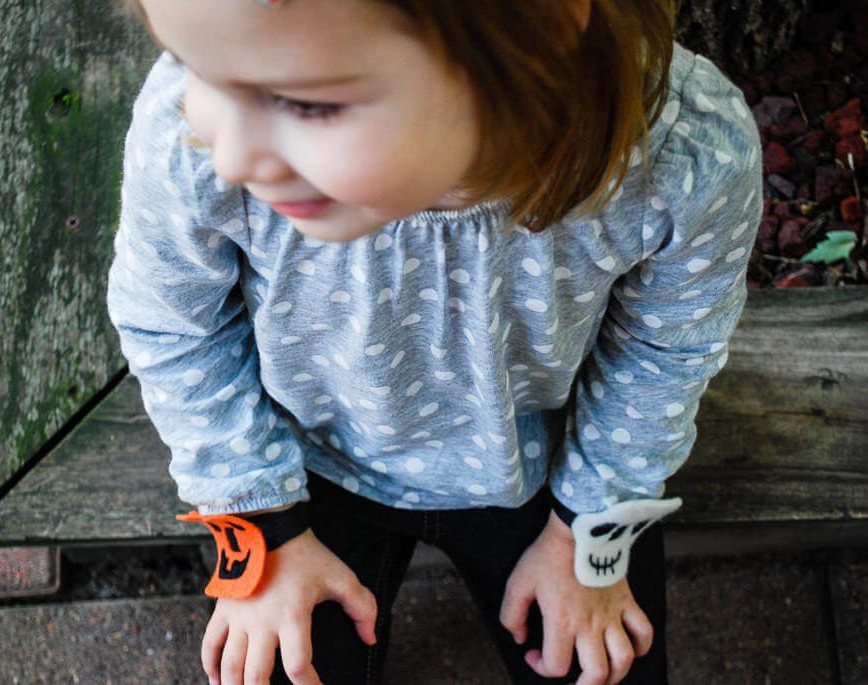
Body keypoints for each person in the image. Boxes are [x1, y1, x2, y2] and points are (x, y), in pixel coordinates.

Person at [107, 0, 762, 682]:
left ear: (532, 35)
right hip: (301, 467)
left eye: (306, 104)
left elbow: (663, 351)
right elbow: (174, 322)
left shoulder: (683, 157)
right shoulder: (190, 126)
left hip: (548, 469)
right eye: (195, 64)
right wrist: (261, 528)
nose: (230, 153)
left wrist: (586, 536)